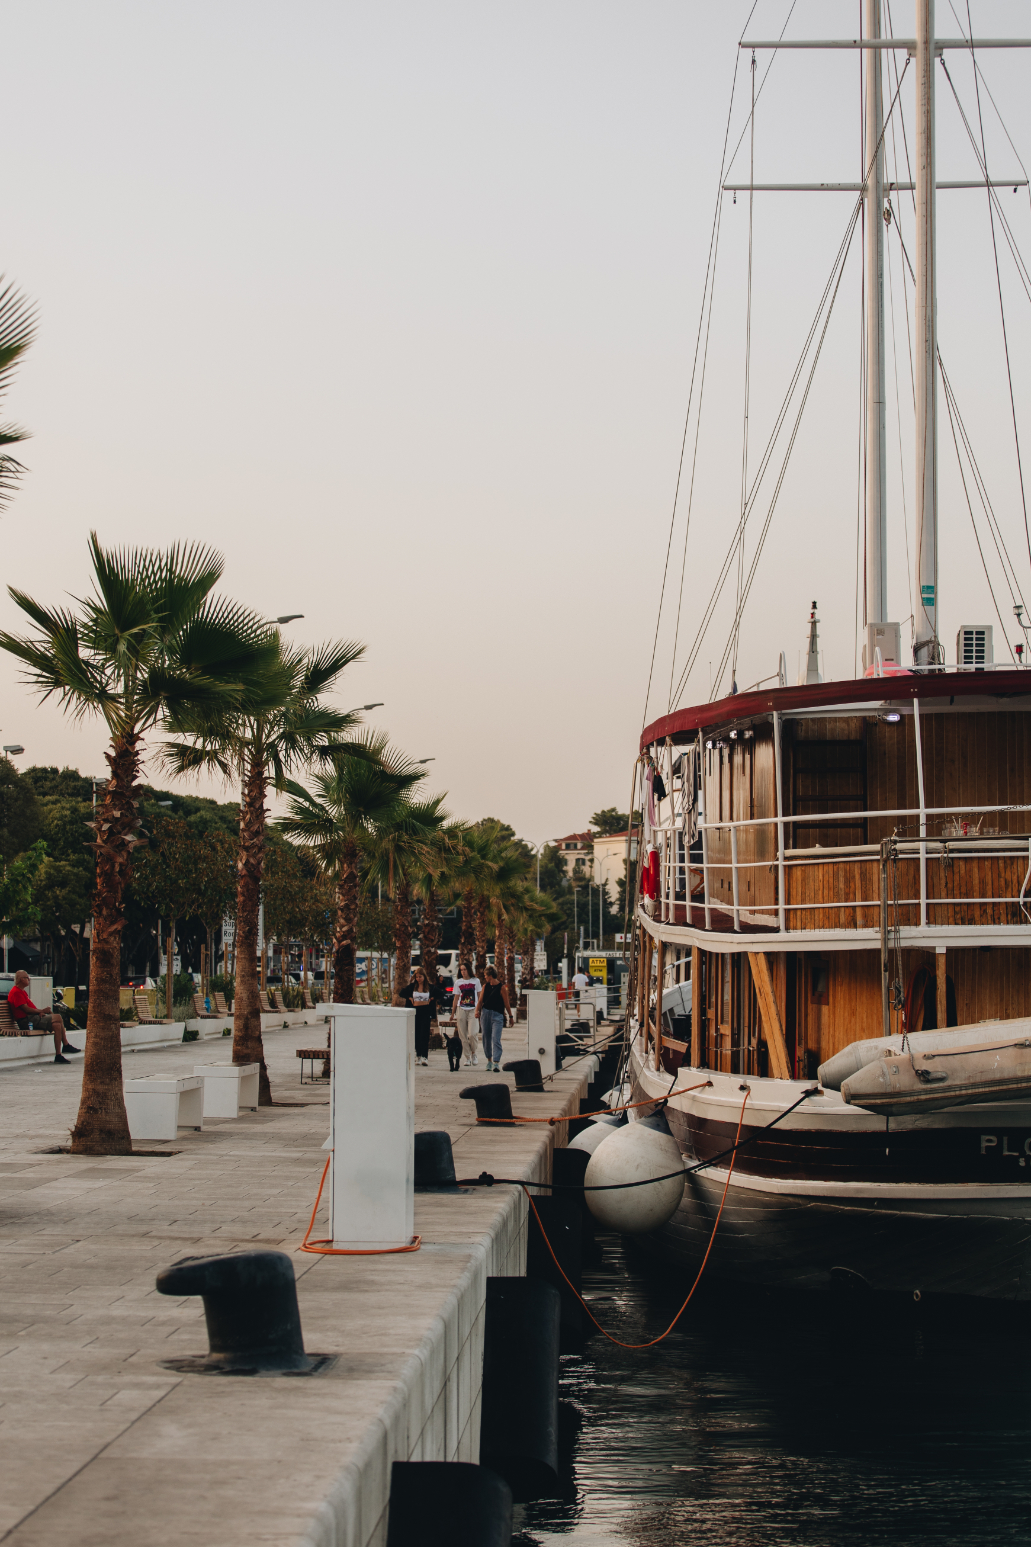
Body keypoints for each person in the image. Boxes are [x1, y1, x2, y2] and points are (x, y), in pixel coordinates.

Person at [8, 971, 80, 1063]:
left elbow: (30, 1008)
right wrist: (42, 1011)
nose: (29, 979)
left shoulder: (22, 992)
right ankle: (66, 1045)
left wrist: (39, 1012)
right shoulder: (16, 992)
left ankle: (58, 1055)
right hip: (26, 1021)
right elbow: (26, 1009)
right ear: (21, 979)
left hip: (31, 1018)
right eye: (27, 977)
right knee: (57, 1017)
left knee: (57, 1025)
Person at [398, 966, 445, 1065]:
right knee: (416, 1034)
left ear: (424, 977)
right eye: (417, 977)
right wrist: (410, 998)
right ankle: (418, 1055)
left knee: (424, 1034)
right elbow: (401, 993)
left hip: (425, 1012)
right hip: (415, 1011)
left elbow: (441, 993)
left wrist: (432, 998)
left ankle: (424, 1056)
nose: (418, 979)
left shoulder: (430, 987)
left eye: (420, 977)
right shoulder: (412, 986)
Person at [475, 967, 512, 1073]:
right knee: (486, 1038)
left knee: (496, 1038)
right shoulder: (485, 986)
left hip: (497, 1015)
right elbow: (480, 1001)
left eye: (486, 975)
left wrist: (511, 1016)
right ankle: (489, 1060)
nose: (485, 977)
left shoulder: (501, 987)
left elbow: (506, 1003)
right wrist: (477, 1011)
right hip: (485, 1014)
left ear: (490, 976)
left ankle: (496, 1062)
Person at [452, 960, 482, 1067]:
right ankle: (467, 1057)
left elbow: (479, 996)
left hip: (473, 1009)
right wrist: (452, 1013)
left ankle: (474, 1053)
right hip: (461, 1009)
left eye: (465, 969)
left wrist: (479, 1009)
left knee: (472, 1033)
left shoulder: (476, 981)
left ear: (469, 970)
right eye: (461, 970)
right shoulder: (458, 982)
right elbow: (456, 998)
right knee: (463, 1035)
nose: (463, 972)